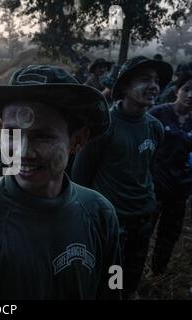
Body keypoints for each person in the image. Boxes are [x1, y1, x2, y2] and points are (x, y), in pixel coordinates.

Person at [0, 65, 121, 300]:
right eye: (12, 133)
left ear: (77, 140)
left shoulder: (100, 214)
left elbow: (113, 287)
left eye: (43, 136)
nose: (23, 151)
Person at [72, 56, 173, 299]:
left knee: (133, 269)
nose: (154, 86)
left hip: (143, 214)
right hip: (113, 218)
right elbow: (80, 177)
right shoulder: (104, 127)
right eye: (145, 79)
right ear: (125, 87)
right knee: (111, 274)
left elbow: (146, 167)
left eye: (156, 81)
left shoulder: (154, 127)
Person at [149, 71, 192, 275]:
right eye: (187, 89)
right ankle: (132, 277)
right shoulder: (158, 113)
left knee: (169, 235)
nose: (191, 95)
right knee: (143, 231)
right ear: (177, 90)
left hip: (180, 189)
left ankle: (158, 273)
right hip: (155, 186)